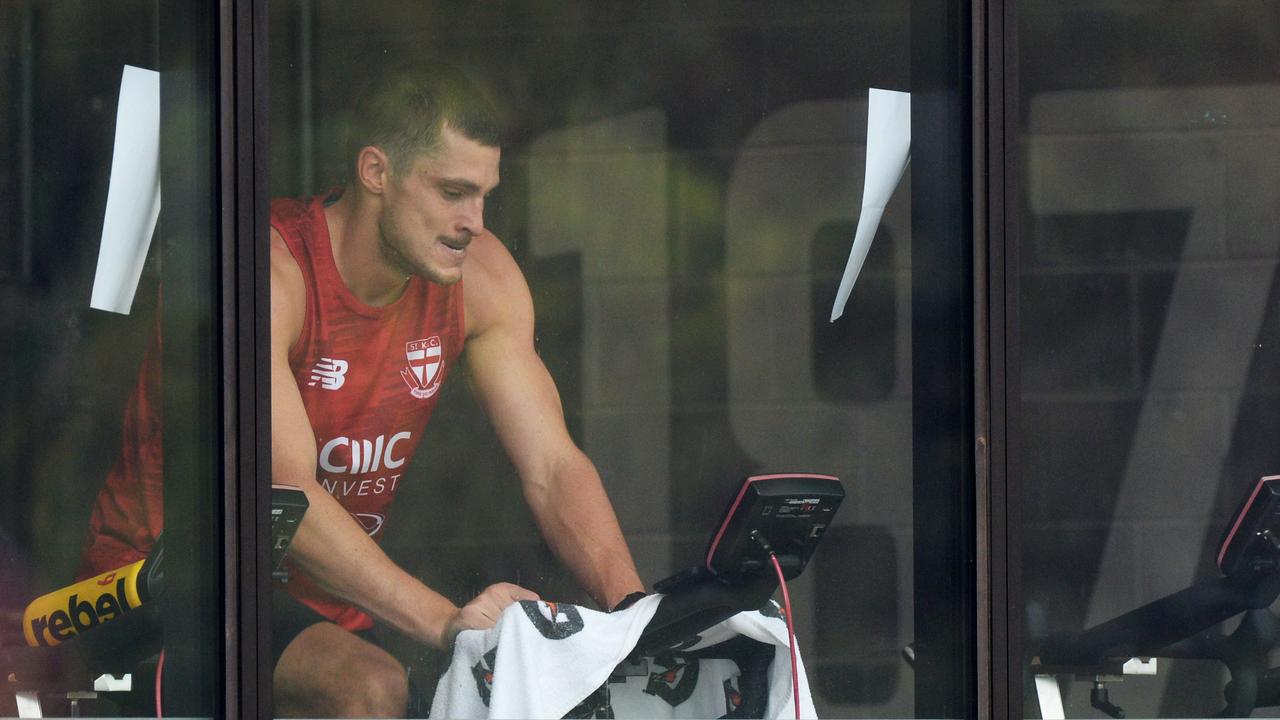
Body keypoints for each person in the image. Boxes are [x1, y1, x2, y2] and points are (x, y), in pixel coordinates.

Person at [80, 61, 645, 717]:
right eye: (454, 192)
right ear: (377, 172)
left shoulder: (481, 280)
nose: (475, 221)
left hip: (319, 604)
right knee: (372, 685)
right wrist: (446, 621)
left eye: (485, 193)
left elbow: (552, 465)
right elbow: (285, 501)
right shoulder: (266, 272)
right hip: (161, 585)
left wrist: (634, 615)